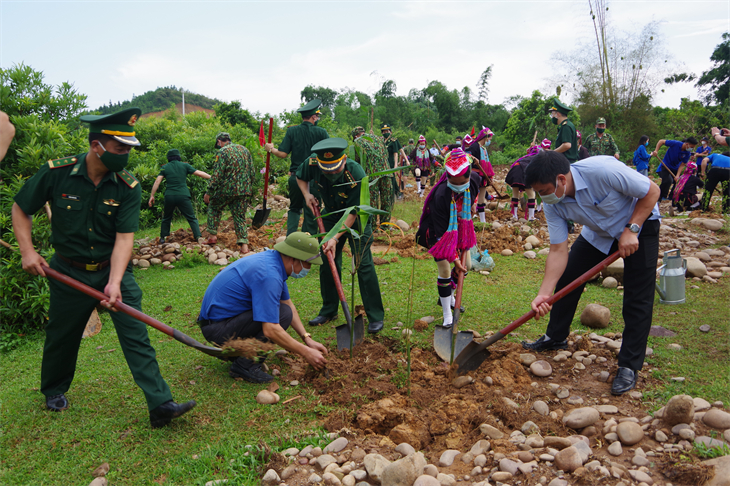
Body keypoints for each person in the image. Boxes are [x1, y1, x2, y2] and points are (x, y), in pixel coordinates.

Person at [11, 108, 195, 426]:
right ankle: (53, 389)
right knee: (62, 335)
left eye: (129, 149)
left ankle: (160, 404)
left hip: (113, 269)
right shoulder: (57, 172)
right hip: (67, 271)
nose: (126, 155)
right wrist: (27, 251)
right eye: (120, 148)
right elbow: (21, 208)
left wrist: (114, 281)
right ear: (97, 145)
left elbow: (125, 239)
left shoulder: (128, 186)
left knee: (135, 333)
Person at [522, 151, 661, 396]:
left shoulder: (602, 171)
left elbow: (652, 191)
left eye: (544, 190)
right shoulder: (553, 202)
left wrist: (632, 229)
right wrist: (544, 294)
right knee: (569, 278)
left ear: (562, 179)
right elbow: (557, 250)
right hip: (598, 232)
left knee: (637, 295)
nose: (542, 197)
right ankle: (555, 336)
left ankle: (629, 365)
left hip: (640, 224)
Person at [197, 232, 328, 383]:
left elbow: (288, 304)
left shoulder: (273, 262)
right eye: (308, 263)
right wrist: (306, 353)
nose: (309, 268)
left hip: (221, 322)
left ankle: (241, 357)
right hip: (218, 330)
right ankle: (245, 366)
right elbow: (270, 329)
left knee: (283, 311)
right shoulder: (269, 275)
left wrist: (307, 339)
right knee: (281, 315)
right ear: (294, 258)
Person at [297, 138, 385, 333]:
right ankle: (329, 310)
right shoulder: (312, 163)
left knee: (363, 264)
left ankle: (375, 316)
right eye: (326, 170)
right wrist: (307, 195)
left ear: (343, 160)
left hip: (357, 219)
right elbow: (300, 176)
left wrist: (335, 238)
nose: (331, 173)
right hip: (330, 215)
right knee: (328, 261)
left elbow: (353, 213)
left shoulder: (356, 173)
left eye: (335, 169)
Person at [415, 148, 478, 327]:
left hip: (459, 229)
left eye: (462, 181)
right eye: (454, 182)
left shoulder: (473, 181)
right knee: (445, 269)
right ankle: (447, 315)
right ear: (447, 177)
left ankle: (448, 297)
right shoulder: (441, 194)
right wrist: (455, 258)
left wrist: (470, 207)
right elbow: (442, 233)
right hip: (438, 233)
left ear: (469, 175)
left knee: (467, 267)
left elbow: (473, 198)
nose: (459, 185)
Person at [265, 99, 329, 235]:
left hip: (296, 178)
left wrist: (271, 149)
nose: (317, 118)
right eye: (316, 116)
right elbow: (329, 155)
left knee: (294, 209)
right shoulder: (321, 133)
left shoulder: (292, 131)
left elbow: (282, 153)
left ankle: (290, 240)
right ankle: (307, 242)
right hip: (315, 180)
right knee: (312, 209)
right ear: (313, 117)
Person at [204, 132, 256, 253]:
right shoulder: (245, 150)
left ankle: (212, 237)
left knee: (214, 207)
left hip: (226, 190)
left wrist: (209, 192)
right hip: (244, 190)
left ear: (219, 142)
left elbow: (217, 174)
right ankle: (244, 247)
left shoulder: (222, 152)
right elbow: (252, 172)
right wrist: (248, 187)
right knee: (239, 217)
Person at [148, 149, 210, 243]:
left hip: (169, 196)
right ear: (178, 157)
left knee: (167, 217)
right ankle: (198, 236)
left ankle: (162, 238)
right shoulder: (185, 165)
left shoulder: (164, 167)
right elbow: (199, 173)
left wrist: (152, 195)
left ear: (168, 158)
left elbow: (157, 181)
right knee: (191, 217)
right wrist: (212, 177)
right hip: (183, 195)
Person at [350, 126, 393, 227]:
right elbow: (386, 154)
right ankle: (385, 225)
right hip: (386, 172)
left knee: (372, 200)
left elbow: (357, 162)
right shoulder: (378, 138)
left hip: (372, 175)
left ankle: (372, 226)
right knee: (386, 199)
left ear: (355, 136)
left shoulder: (357, 142)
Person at [505, 140, 551, 221]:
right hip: (524, 171)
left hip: (515, 171)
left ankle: (514, 216)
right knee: (531, 195)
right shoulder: (538, 159)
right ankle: (531, 217)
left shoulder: (527, 157)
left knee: (515, 194)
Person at [466, 127, 496, 223]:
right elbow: (465, 155)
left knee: (482, 199)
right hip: (474, 176)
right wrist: (472, 157)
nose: (489, 141)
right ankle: (467, 219)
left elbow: (487, 165)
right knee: (471, 197)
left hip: (483, 176)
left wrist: (489, 177)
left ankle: (483, 221)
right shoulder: (474, 146)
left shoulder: (483, 149)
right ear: (485, 137)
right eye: (489, 139)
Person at [381, 124, 408, 200]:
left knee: (392, 178)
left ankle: (396, 193)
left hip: (391, 162)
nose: (385, 132)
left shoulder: (393, 141)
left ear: (390, 132)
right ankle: (392, 193)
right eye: (384, 131)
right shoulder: (381, 141)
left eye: (387, 131)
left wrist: (396, 165)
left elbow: (396, 153)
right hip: (382, 163)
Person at [548, 99, 578, 163]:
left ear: (558, 114)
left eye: (553, 114)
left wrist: (553, 153)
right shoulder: (565, 125)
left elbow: (567, 145)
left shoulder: (566, 126)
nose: (552, 117)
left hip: (567, 163)